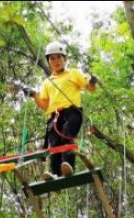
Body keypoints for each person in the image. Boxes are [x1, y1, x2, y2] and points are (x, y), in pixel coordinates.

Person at [22, 41, 98, 180]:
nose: (56, 61)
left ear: (64, 59)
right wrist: (34, 95)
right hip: (55, 117)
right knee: (54, 145)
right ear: (49, 61)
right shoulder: (47, 82)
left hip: (72, 112)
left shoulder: (73, 73)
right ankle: (56, 174)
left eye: (59, 57)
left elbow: (90, 88)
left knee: (67, 135)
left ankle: (68, 167)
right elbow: (44, 105)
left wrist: (92, 82)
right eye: (52, 58)